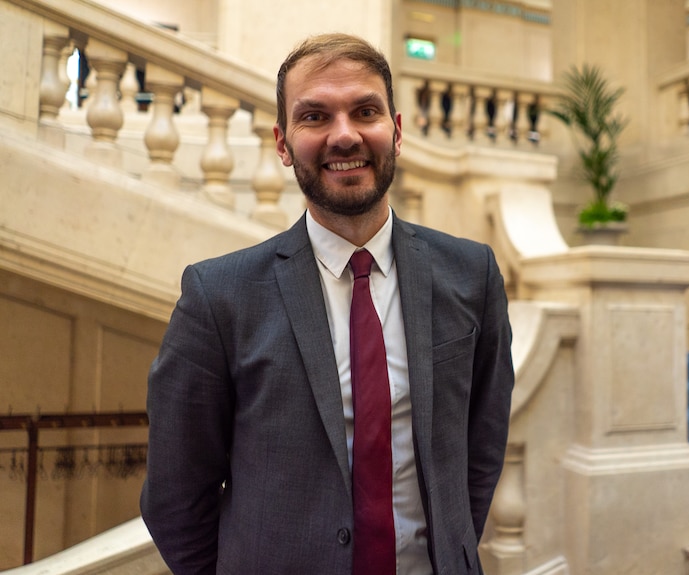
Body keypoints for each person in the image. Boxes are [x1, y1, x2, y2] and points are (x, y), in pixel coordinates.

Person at [140, 32, 514, 575]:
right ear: (283, 142)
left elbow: (481, 448)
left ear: (397, 130)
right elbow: (176, 495)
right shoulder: (218, 298)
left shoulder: (471, 275)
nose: (345, 136)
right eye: (315, 117)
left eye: (365, 111)